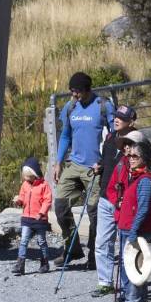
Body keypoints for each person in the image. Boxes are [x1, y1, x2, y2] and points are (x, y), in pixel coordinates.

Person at [52, 72, 112, 269]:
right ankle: (72, 248)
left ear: (87, 89)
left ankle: (95, 255)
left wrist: (105, 162)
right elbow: (65, 136)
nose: (73, 94)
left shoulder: (103, 106)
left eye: (77, 91)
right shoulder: (71, 107)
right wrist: (58, 162)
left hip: (95, 168)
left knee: (94, 213)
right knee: (60, 206)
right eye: (71, 90)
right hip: (74, 165)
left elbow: (114, 137)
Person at [112, 137, 151, 302]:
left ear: (145, 159)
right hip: (129, 227)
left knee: (132, 267)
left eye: (135, 156)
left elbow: (143, 208)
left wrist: (133, 230)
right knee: (136, 265)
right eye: (129, 155)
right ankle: (140, 299)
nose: (130, 158)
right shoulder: (137, 177)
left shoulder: (146, 180)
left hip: (137, 230)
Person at [93, 106, 138, 295]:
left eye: (121, 118)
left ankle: (132, 283)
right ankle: (105, 282)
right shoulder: (111, 138)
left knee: (128, 243)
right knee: (102, 241)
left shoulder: (138, 141)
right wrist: (100, 167)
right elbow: (106, 162)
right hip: (106, 197)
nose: (116, 120)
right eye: (116, 117)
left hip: (126, 201)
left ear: (131, 121)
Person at [11, 157, 53, 275]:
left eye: (28, 176)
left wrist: (42, 212)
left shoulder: (44, 185)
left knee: (41, 241)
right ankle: (20, 264)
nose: (26, 179)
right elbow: (22, 197)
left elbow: (47, 200)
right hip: (27, 218)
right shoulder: (25, 184)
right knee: (23, 240)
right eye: (25, 176)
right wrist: (18, 201)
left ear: (35, 174)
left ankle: (45, 263)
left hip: (39, 219)